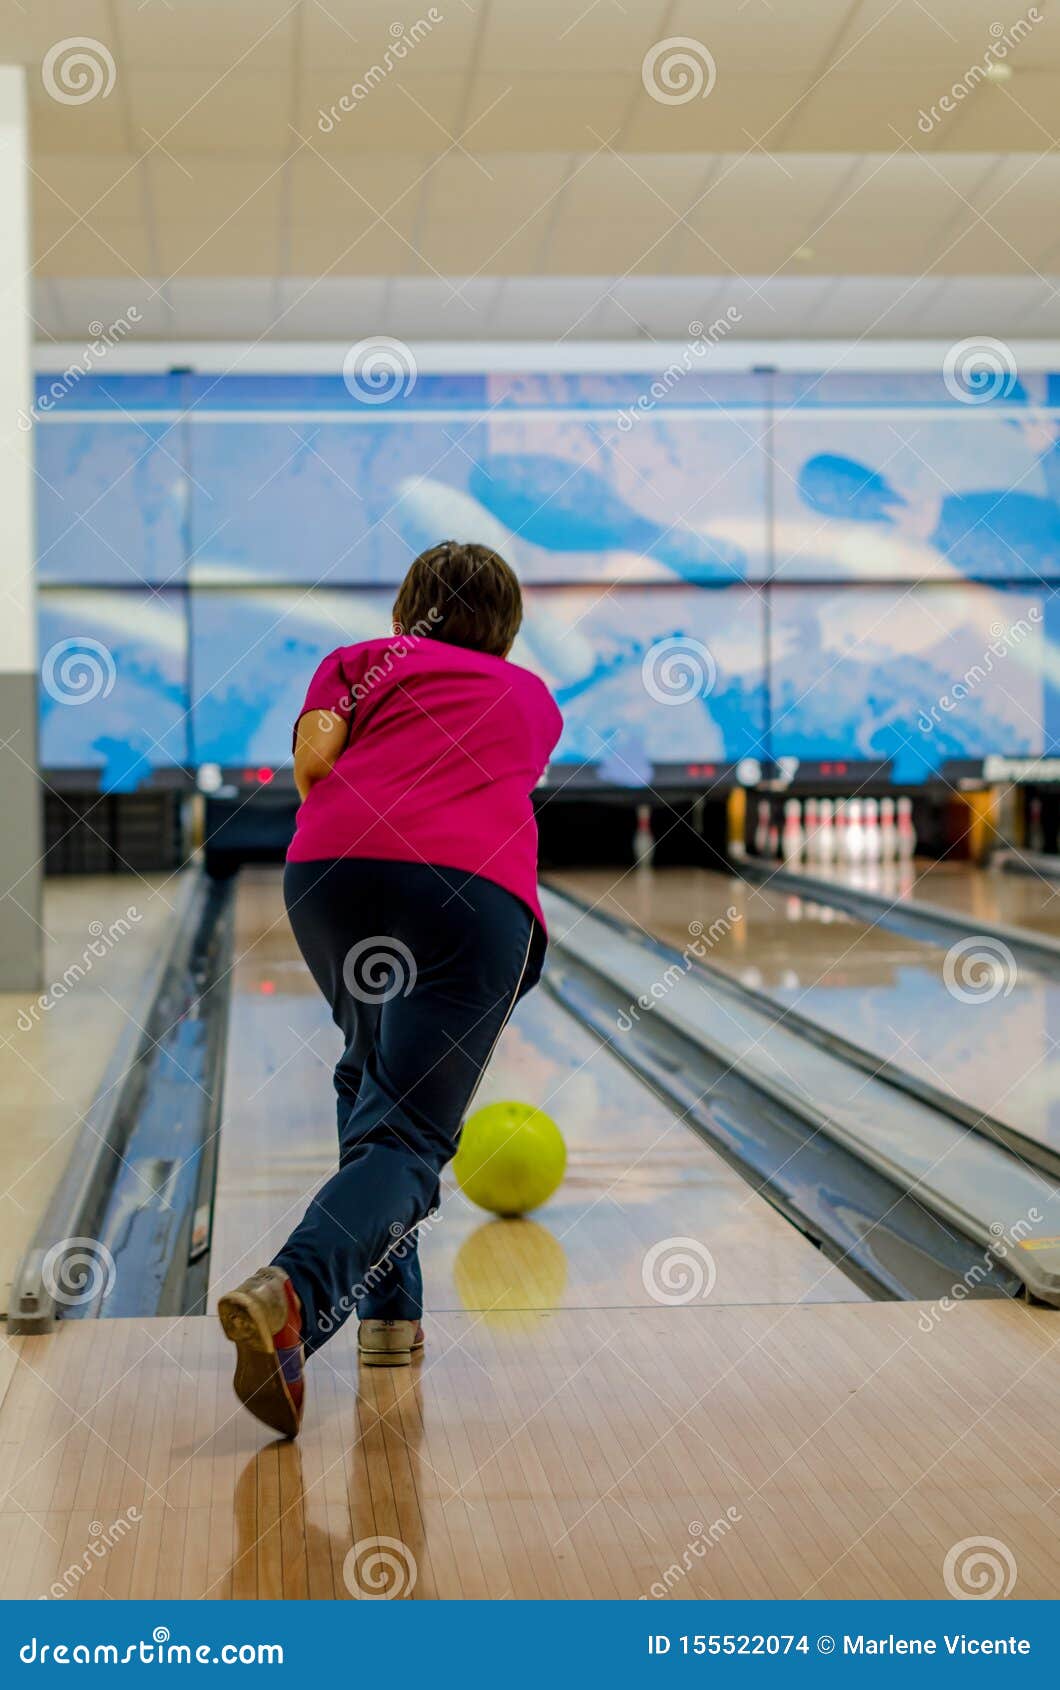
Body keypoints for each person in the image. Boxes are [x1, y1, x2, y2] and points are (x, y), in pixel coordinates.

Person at [217, 541, 563, 1438]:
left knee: (369, 1074)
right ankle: (296, 1288)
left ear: (408, 607)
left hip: (332, 874)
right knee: (410, 1133)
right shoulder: (531, 698)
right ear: (508, 626)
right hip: (466, 890)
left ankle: (389, 1323)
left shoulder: (360, 660)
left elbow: (316, 767)